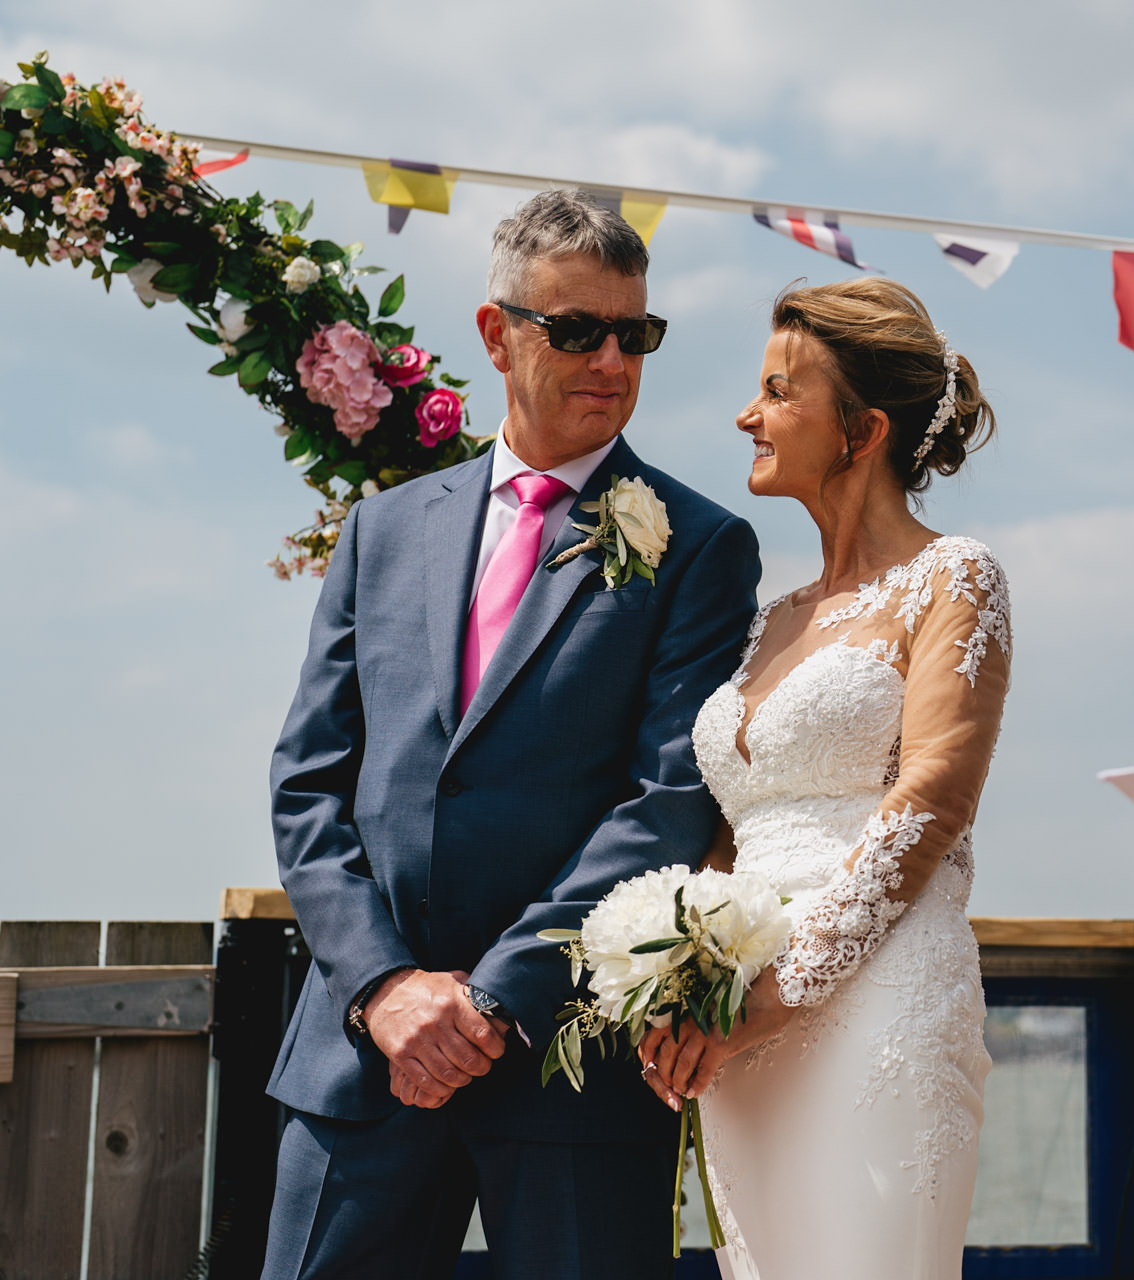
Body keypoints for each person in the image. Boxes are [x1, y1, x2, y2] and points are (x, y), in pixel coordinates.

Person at [263, 188, 761, 1278]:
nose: (612, 361)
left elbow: (668, 799)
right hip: (363, 1060)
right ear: (497, 333)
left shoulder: (702, 547)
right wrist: (387, 988)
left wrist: (489, 1002)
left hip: (567, 1071)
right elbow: (308, 785)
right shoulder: (383, 530)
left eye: (635, 334)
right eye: (576, 330)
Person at [640, 278, 1011, 1279]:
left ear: (863, 428)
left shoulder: (954, 577)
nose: (745, 414)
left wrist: (781, 989)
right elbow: (728, 824)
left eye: (776, 390)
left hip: (875, 1002)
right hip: (740, 1030)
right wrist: (690, 978)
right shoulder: (773, 619)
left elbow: (933, 798)